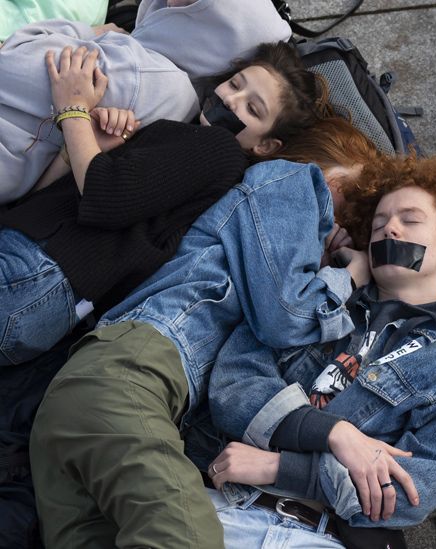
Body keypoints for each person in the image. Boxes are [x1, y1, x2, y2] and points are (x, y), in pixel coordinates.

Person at [27, 106, 380, 547]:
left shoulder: (269, 244)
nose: (341, 223)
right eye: (351, 195)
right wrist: (349, 277)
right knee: (186, 537)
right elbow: (285, 317)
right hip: (129, 378)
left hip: (101, 390)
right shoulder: (293, 180)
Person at [200, 154, 436, 546]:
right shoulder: (319, 298)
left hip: (315, 535)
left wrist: (282, 467)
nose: (391, 231)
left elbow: (402, 495)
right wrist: (334, 433)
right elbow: (235, 380)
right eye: (379, 224)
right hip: (213, 502)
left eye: (411, 220)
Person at [0, 40, 338, 367]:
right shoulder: (192, 150)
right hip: (42, 294)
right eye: (235, 84)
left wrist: (72, 107)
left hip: (36, 273)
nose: (233, 100)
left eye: (253, 109)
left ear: (265, 146)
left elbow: (103, 196)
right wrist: (86, 145)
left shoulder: (220, 149)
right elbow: (50, 200)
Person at [0, 0, 292, 203]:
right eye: (234, 84)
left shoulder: (153, 78)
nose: (230, 101)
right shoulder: (158, 73)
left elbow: (18, 64)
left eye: (198, 5)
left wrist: (87, 35)